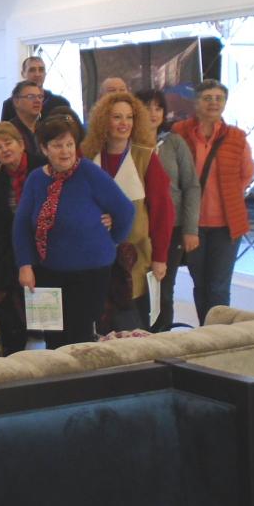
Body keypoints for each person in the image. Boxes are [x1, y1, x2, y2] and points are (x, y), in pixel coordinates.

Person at [14, 115, 135, 348]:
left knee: (79, 340)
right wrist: (25, 265)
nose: (66, 151)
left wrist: (111, 240)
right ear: (44, 148)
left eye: (69, 144)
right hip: (48, 271)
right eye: (58, 145)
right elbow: (21, 225)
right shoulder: (36, 179)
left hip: (89, 272)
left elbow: (125, 210)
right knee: (53, 339)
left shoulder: (89, 172)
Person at [82, 91, 174, 331]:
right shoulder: (88, 157)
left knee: (133, 326)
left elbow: (162, 212)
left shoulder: (146, 157)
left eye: (129, 117)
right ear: (104, 120)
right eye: (117, 117)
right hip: (94, 257)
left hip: (136, 259)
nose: (124, 123)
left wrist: (160, 257)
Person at [171, 79, 254, 324]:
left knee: (218, 285)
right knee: (200, 283)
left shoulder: (236, 137)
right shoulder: (180, 133)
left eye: (219, 98)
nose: (213, 103)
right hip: (192, 224)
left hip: (227, 225)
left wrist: (228, 195)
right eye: (207, 98)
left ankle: (218, 335)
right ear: (196, 102)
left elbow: (246, 174)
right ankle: (205, 331)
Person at [136, 88, 201, 332]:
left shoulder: (174, 143)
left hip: (170, 227)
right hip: (137, 228)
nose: (153, 113)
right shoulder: (128, 145)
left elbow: (191, 185)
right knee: (137, 289)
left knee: (164, 287)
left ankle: (162, 338)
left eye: (158, 108)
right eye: (147, 107)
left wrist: (190, 228)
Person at [0, 122, 39, 354]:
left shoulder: (41, 167)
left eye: (8, 143)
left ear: (21, 144)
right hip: (17, 248)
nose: (4, 150)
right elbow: (0, 224)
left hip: (48, 246)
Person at [0, 56, 71, 122]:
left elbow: (71, 127)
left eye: (41, 70)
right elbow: (5, 130)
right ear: (23, 74)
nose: (37, 74)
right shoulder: (11, 104)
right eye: (32, 70)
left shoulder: (61, 103)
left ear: (45, 73)